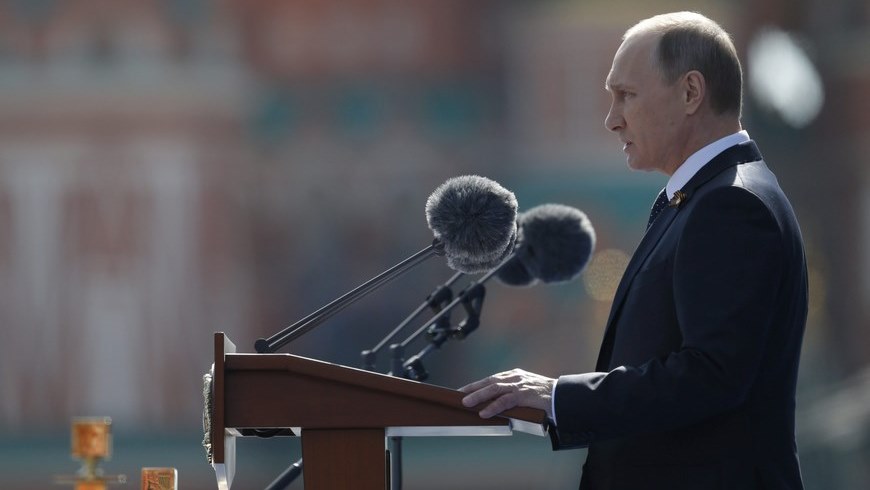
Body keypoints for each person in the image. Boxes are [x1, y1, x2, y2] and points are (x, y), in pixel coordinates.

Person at [460, 11, 808, 490]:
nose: (611, 119)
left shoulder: (729, 204)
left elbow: (711, 375)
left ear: (690, 92)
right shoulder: (705, 197)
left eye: (626, 95)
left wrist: (559, 396)